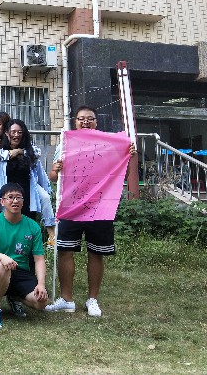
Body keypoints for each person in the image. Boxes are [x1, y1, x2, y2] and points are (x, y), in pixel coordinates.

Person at [45, 106, 136, 317]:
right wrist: (55, 170)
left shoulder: (109, 145)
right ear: (75, 122)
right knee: (65, 251)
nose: (85, 122)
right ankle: (66, 299)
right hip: (71, 206)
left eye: (90, 119)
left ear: (96, 122)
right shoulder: (66, 143)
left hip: (99, 207)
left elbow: (124, 174)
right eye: (81, 119)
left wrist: (128, 156)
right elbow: (53, 177)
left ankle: (92, 299)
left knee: (96, 252)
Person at [0, 182, 48, 329]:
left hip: (21, 272)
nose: (15, 201)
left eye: (18, 197)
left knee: (41, 302)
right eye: (10, 197)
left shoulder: (33, 226)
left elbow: (39, 259)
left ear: (23, 201)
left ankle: (14, 296)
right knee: (0, 266)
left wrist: (41, 284)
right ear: (2, 202)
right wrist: (1, 256)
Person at [0, 119, 55, 239]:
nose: (16, 135)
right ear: (6, 133)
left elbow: (40, 172)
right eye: (13, 132)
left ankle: (52, 234)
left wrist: (46, 188)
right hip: (1, 186)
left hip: (28, 187)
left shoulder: (30, 152)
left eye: (19, 132)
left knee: (45, 197)